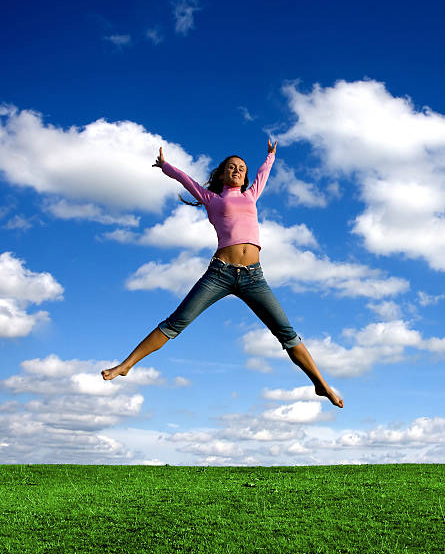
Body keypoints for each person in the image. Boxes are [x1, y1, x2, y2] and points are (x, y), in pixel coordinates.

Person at [101, 140, 344, 408]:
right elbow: (186, 180)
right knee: (176, 322)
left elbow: (264, 173)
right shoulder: (212, 199)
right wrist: (165, 166)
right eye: (231, 167)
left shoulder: (251, 195)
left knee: (286, 332)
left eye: (241, 168)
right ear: (221, 174)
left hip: (254, 277)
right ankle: (126, 365)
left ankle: (321, 385)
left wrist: (271, 156)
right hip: (220, 273)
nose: (237, 170)